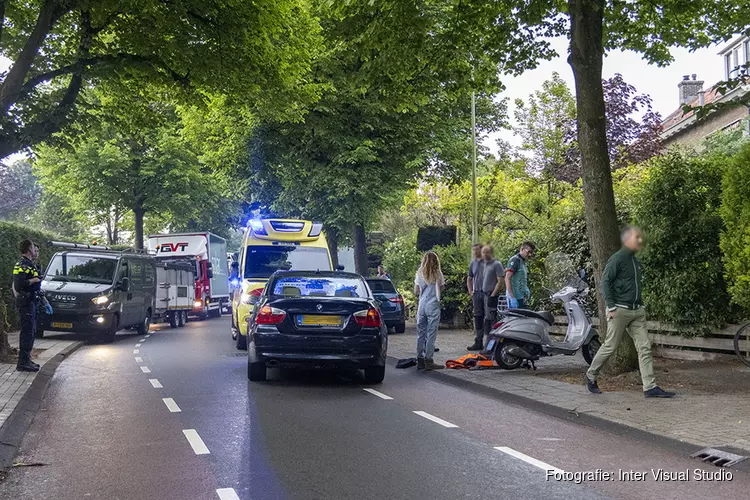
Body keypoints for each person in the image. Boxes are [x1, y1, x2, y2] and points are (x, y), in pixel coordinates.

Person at [584, 227, 675, 398]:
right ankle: (590, 375)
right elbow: (605, 282)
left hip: (637, 311)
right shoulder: (617, 259)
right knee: (610, 346)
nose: (640, 240)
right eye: (636, 238)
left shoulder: (635, 260)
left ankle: (650, 387)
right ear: (627, 240)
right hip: (619, 310)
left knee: (645, 348)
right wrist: (611, 307)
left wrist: (641, 305)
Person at [12, 240, 42, 372]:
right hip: (26, 302)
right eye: (34, 249)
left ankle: (26, 359)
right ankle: (23, 362)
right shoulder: (23, 265)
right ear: (29, 249)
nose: (36, 251)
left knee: (31, 332)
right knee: (27, 333)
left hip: (31, 302)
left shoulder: (29, 264)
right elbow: (19, 285)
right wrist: (33, 280)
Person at [414, 251, 445, 370]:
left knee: (421, 333)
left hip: (422, 304)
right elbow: (442, 287)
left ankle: (419, 358)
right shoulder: (438, 273)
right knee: (431, 333)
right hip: (433, 304)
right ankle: (429, 359)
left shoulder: (419, 273)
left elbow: (416, 291)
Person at [476, 245, 505, 348]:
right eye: (483, 252)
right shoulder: (483, 265)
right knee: (485, 319)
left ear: (491, 253)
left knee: (491, 320)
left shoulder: (496, 264)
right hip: (483, 295)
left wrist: (493, 295)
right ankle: (487, 343)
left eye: (486, 252)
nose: (484, 254)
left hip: (491, 295)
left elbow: (500, 281)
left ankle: (493, 344)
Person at [505, 241, 536, 309]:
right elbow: (507, 278)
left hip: (520, 296)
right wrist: (512, 298)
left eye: (531, 253)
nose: (530, 254)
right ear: (522, 249)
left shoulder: (522, 261)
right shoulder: (515, 260)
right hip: (514, 297)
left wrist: (525, 289)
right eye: (528, 252)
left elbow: (520, 278)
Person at [466, 243, 485, 350]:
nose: (473, 252)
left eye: (475, 250)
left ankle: (490, 343)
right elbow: (469, 278)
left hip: (488, 293)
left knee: (489, 318)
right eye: (473, 250)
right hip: (477, 293)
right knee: (478, 317)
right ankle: (478, 341)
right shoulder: (473, 263)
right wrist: (470, 291)